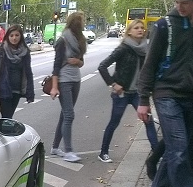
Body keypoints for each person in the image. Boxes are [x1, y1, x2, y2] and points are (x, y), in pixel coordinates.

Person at [137, 0, 193, 187]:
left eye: (185, 3)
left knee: (183, 147)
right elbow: (149, 64)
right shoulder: (164, 26)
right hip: (166, 93)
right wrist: (143, 100)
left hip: (190, 95)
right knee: (179, 146)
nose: (179, 7)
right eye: (176, 2)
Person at [96, 19, 159, 163]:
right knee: (114, 122)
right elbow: (102, 66)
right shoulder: (123, 48)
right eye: (136, 28)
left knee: (148, 121)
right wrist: (113, 84)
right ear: (129, 31)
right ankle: (103, 152)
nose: (140, 30)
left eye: (142, 27)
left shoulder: (146, 48)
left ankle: (156, 154)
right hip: (122, 93)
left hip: (138, 93)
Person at [49, 11, 87, 162]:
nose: (82, 23)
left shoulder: (80, 40)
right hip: (64, 80)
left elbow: (82, 62)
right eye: (80, 21)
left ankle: (55, 147)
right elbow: (56, 66)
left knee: (65, 115)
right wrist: (54, 86)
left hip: (76, 79)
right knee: (69, 115)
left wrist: (78, 62)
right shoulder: (63, 40)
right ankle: (68, 151)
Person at [0, 24, 35, 118]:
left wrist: (30, 93)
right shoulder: (1, 53)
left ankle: (3, 127)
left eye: (17, 35)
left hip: (17, 91)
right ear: (7, 37)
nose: (14, 38)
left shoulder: (25, 53)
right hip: (3, 91)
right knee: (7, 117)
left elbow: (28, 73)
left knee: (8, 117)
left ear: (21, 36)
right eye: (11, 35)